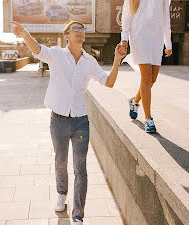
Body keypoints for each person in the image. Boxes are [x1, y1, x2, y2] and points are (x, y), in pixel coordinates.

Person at [11, 20, 126, 225]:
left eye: (82, 29)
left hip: (81, 122)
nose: (80, 31)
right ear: (66, 36)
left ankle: (78, 215)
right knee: (60, 162)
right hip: (59, 121)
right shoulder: (56, 55)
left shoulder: (89, 61)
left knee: (80, 168)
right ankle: (61, 194)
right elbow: (37, 49)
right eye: (75, 28)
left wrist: (117, 60)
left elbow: (108, 82)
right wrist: (24, 33)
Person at [120, 0, 172, 133]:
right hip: (139, 36)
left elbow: (166, 16)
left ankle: (134, 101)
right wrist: (124, 39)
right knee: (146, 77)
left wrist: (169, 42)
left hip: (156, 38)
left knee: (152, 78)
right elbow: (127, 15)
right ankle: (148, 118)